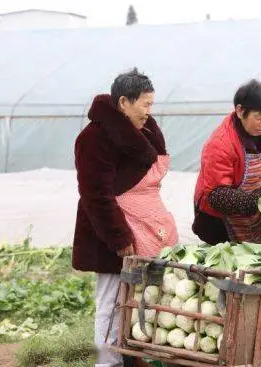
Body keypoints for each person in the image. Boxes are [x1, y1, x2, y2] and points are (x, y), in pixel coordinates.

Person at [72, 68, 178, 367]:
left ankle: (133, 357)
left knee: (141, 297)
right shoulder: (93, 139)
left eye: (151, 104)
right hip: (108, 235)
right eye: (145, 104)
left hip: (143, 230)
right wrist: (119, 237)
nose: (149, 111)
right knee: (111, 300)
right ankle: (106, 362)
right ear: (123, 102)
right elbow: (96, 195)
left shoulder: (141, 132)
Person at [192, 79, 261, 245]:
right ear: (239, 111)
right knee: (227, 256)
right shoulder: (220, 143)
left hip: (255, 212)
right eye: (258, 117)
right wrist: (260, 202)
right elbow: (218, 195)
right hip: (218, 219)